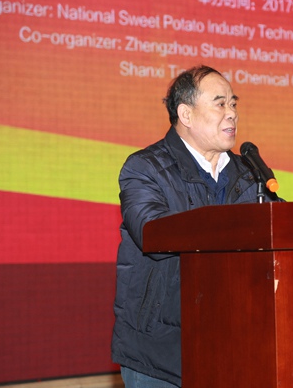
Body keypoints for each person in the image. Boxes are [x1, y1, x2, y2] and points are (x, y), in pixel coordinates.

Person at [111, 65, 281, 387]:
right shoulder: (144, 168)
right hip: (159, 352)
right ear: (185, 114)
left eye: (234, 103)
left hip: (233, 342)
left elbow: (279, 228)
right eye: (220, 103)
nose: (232, 113)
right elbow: (152, 233)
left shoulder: (249, 173)